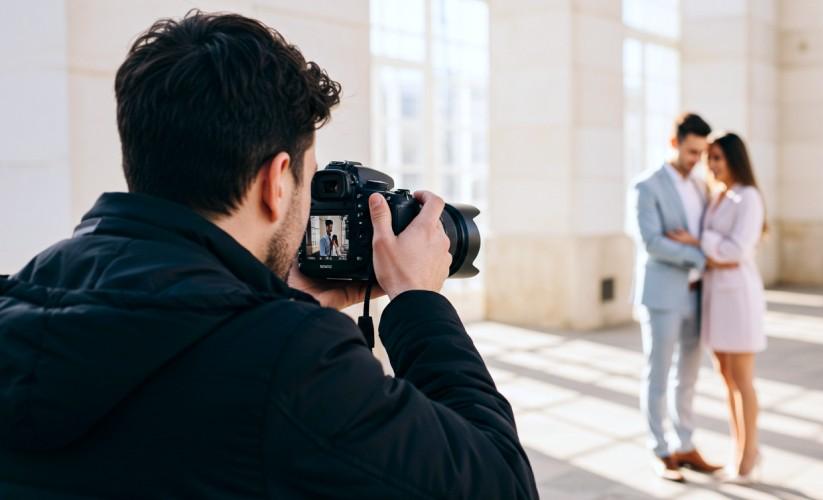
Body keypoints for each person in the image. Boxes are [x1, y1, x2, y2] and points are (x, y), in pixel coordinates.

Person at [0, 11, 537, 499]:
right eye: (309, 179)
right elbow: (502, 484)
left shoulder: (21, 298)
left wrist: (272, 305)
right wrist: (418, 301)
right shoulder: (292, 364)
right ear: (277, 181)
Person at [629, 112, 726, 482]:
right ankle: (660, 450)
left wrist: (701, 249)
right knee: (658, 373)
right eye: (691, 152)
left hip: (697, 295)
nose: (697, 160)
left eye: (701, 153)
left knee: (688, 376)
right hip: (662, 295)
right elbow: (652, 242)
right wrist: (701, 255)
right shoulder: (646, 186)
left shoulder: (701, 186)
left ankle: (685, 444)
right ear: (674, 143)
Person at [667, 132, 766, 484]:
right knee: (726, 378)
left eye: (718, 158)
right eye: (710, 158)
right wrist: (711, 250)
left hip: (738, 298)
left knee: (742, 379)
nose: (711, 165)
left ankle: (749, 455)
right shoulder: (719, 195)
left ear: (735, 159)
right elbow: (720, 252)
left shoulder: (748, 197)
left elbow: (735, 251)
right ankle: (740, 449)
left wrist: (699, 242)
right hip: (715, 297)